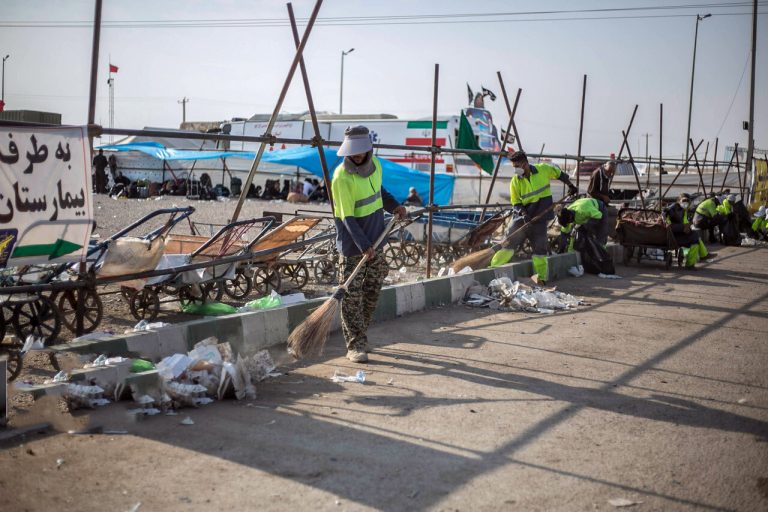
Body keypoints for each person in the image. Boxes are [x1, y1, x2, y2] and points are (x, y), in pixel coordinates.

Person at [332, 126, 407, 363]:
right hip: (354, 245)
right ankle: (355, 344)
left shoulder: (377, 167)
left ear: (368, 150)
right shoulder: (341, 178)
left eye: (360, 151)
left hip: (377, 239)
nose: (356, 156)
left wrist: (395, 205)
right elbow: (347, 218)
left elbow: (379, 193)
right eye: (352, 152)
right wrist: (364, 246)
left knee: (373, 288)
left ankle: (361, 333)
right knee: (351, 295)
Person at [494, 150, 578, 284]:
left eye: (517, 166)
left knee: (540, 249)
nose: (516, 170)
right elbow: (516, 202)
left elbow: (559, 174)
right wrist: (524, 214)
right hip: (521, 219)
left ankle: (541, 279)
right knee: (508, 243)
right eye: (514, 167)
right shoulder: (515, 181)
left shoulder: (543, 169)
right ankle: (493, 269)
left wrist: (571, 186)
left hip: (540, 219)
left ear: (525, 163)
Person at [665, 193, 714, 268]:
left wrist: (687, 227)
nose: (686, 202)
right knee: (695, 237)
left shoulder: (683, 210)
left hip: (679, 233)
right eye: (684, 200)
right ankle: (703, 255)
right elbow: (668, 225)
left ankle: (691, 264)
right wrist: (683, 227)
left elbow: (685, 223)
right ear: (679, 200)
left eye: (687, 201)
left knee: (695, 241)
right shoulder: (672, 209)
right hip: (672, 236)